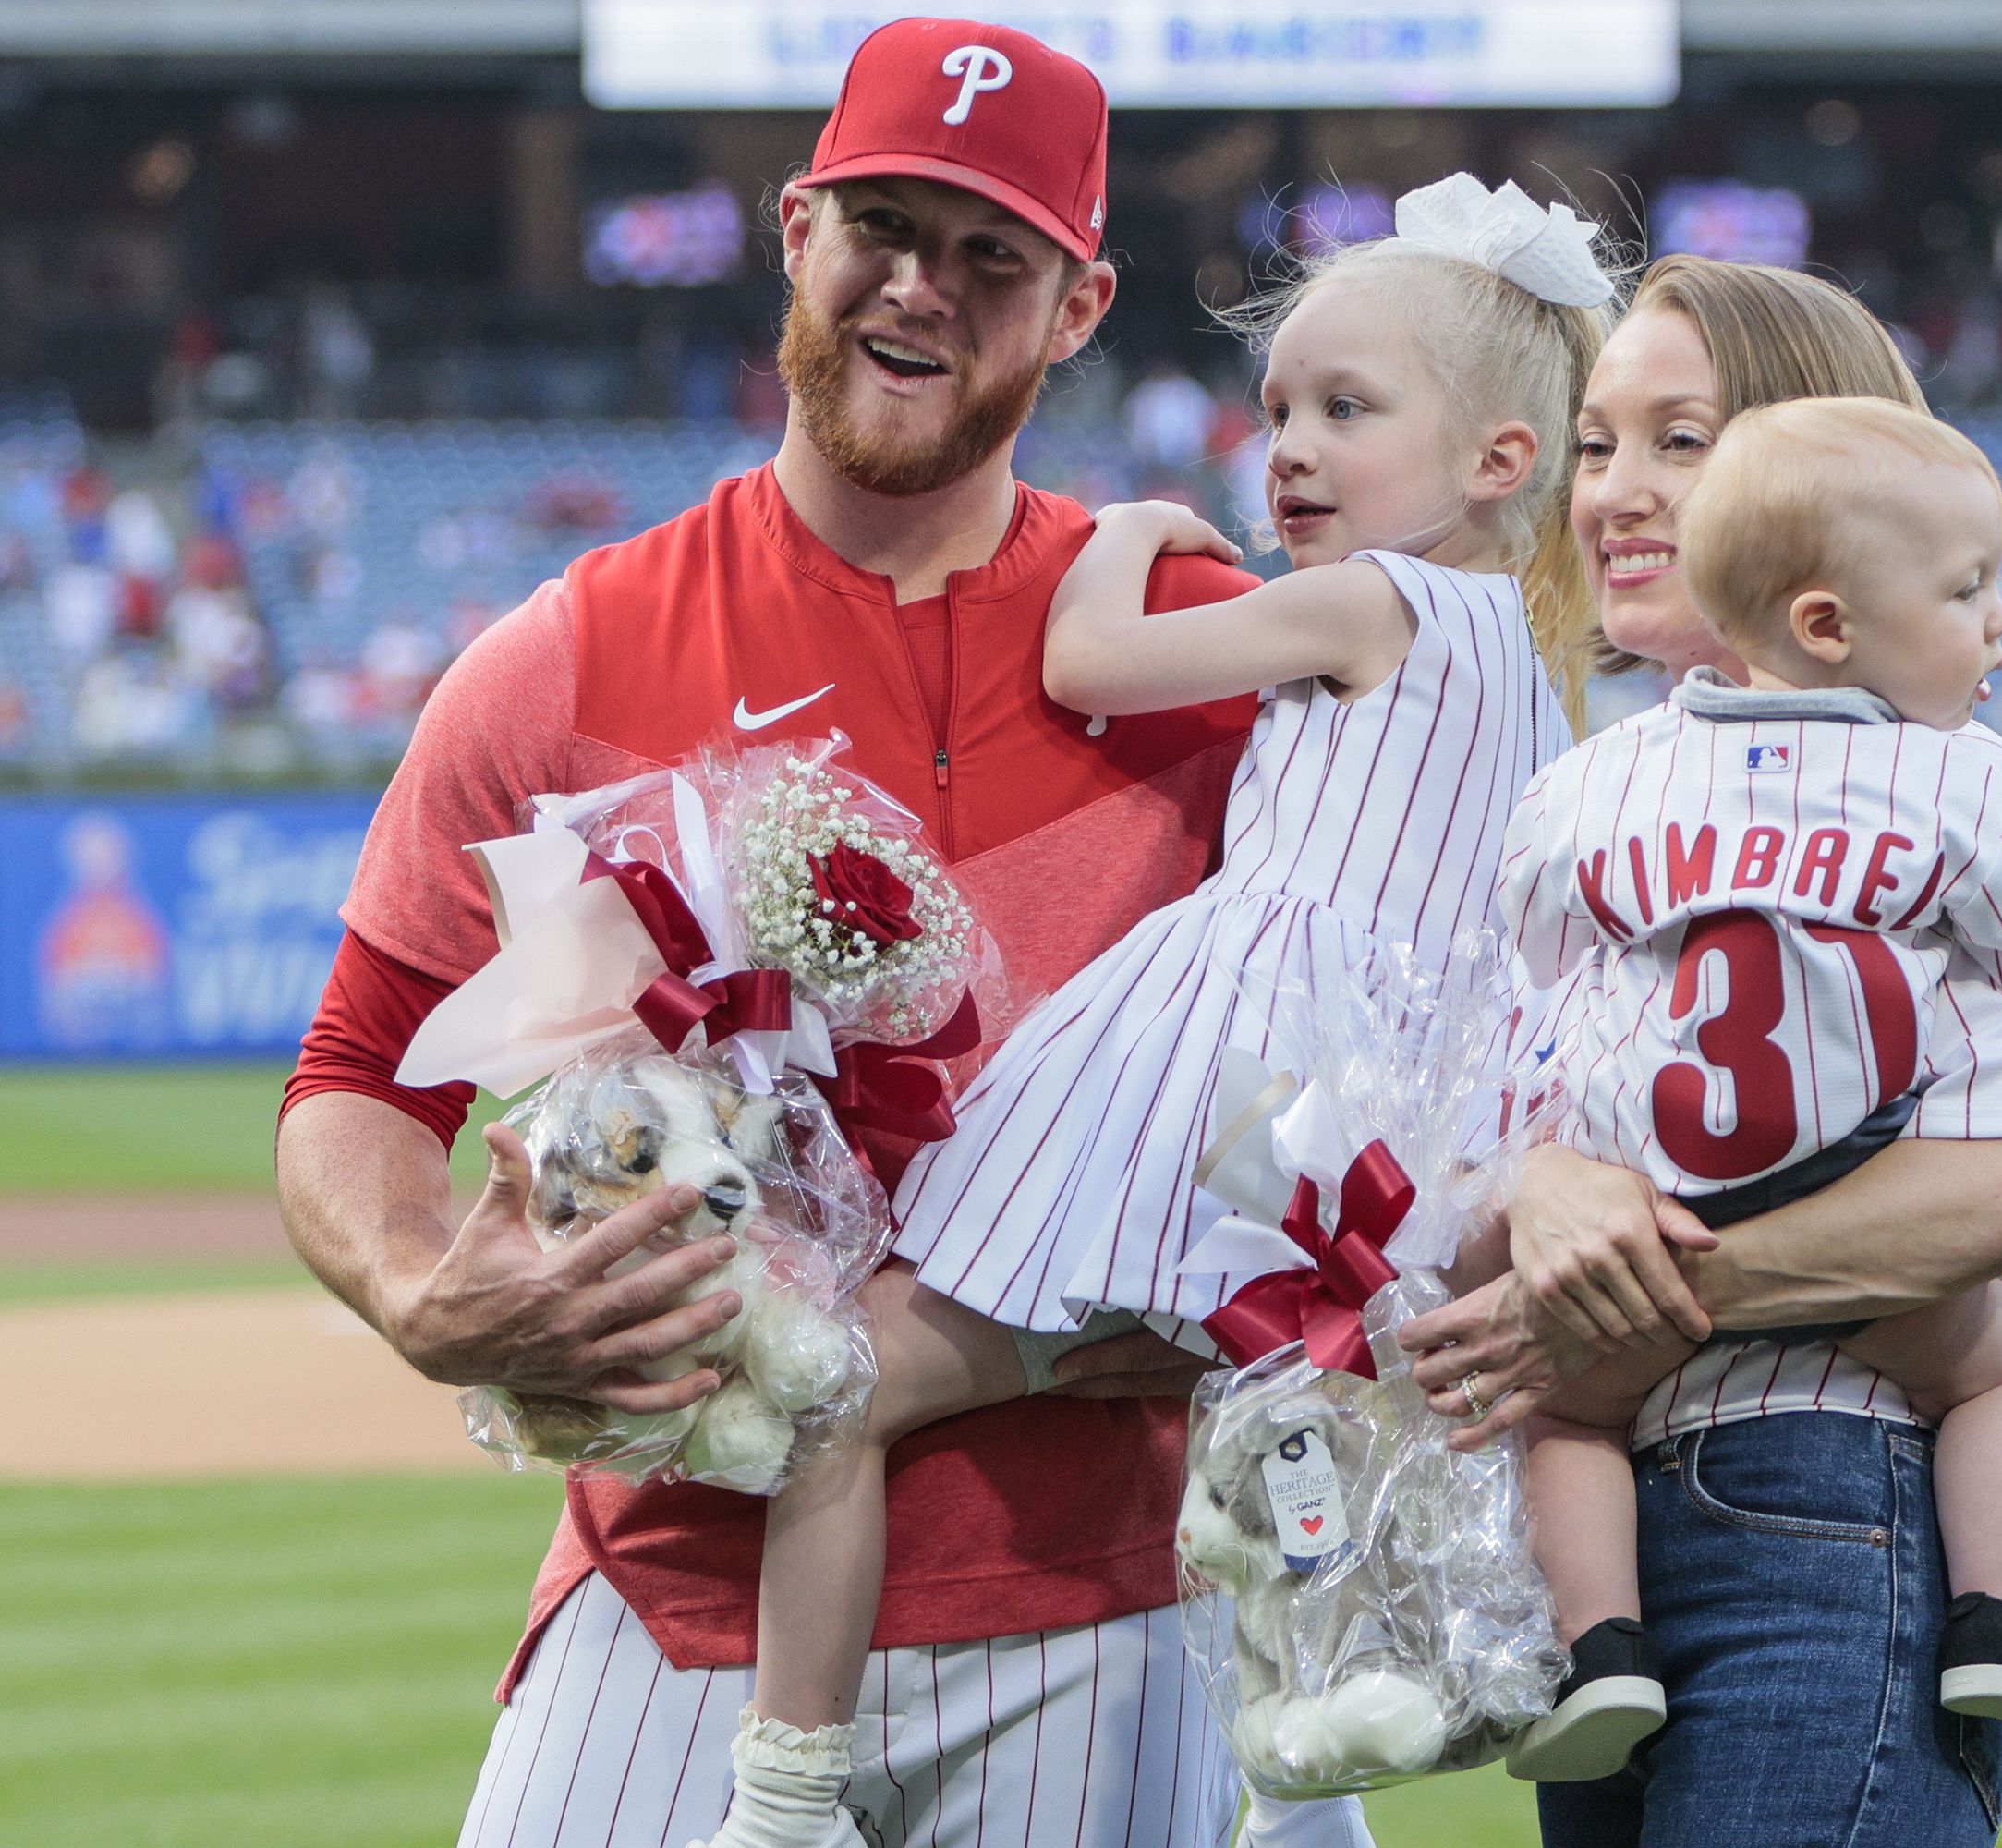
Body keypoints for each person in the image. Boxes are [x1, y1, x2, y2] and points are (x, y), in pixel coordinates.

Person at [274, 20, 1363, 1847]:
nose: (919, 287)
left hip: (1104, 1597)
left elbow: (1386, 1060)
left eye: (989, 254)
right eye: (881, 224)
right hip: (674, 1591)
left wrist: (1251, 1277)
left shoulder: (1213, 659)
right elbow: (352, 1074)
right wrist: (412, 1280)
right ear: (795, 228)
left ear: (1081, 303)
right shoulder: (571, 653)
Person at [711, 172, 1615, 1848]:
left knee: (848, 1385)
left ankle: (784, 1792)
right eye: (1278, 408)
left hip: (1238, 1085)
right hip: (1396, 1117)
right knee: (1278, 1419)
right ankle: (1305, 1784)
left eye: (1347, 409)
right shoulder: (1544, 681)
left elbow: (1088, 665)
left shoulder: (1381, 600)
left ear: (1500, 462)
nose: (1287, 448)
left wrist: (1124, 531)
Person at [1394, 255, 2002, 1848]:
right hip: (1598, 1552)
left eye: (1686, 440)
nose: (1618, 493)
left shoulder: (1950, 786)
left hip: (1824, 1501)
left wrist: (1629, 1302)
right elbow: (1458, 1193)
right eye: (1597, 443)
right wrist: (1535, 1182)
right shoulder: (1594, 792)